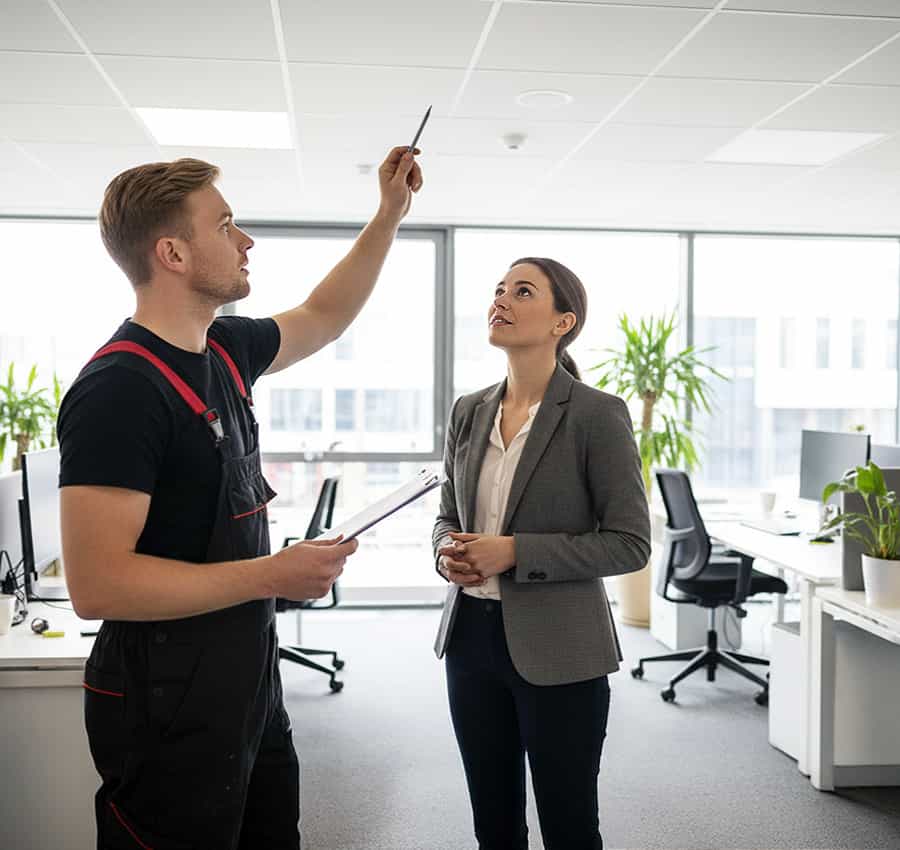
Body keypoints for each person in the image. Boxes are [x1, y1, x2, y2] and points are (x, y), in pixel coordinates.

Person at [58, 145, 422, 849]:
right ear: (172, 253)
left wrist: (389, 215)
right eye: (225, 226)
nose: (246, 240)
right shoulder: (119, 390)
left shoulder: (224, 349)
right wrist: (272, 575)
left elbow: (324, 313)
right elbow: (98, 585)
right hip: (163, 700)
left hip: (246, 679)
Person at [432, 257, 651, 850]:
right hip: (469, 641)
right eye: (499, 289)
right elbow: (448, 515)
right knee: (493, 823)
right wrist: (446, 551)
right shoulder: (468, 410)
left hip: (561, 648)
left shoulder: (596, 414)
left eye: (523, 291)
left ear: (563, 322)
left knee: (568, 825)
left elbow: (630, 542)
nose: (501, 299)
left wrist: (514, 552)